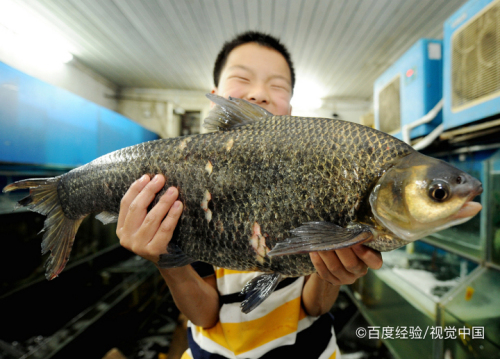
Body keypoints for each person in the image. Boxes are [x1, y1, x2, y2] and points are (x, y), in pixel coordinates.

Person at [117, 31, 383, 359]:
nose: (259, 94)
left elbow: (315, 306)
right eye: (243, 78)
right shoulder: (190, 192)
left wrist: (334, 272)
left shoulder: (316, 184)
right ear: (216, 96)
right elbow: (204, 314)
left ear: (290, 109)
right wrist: (164, 259)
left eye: (278, 86)